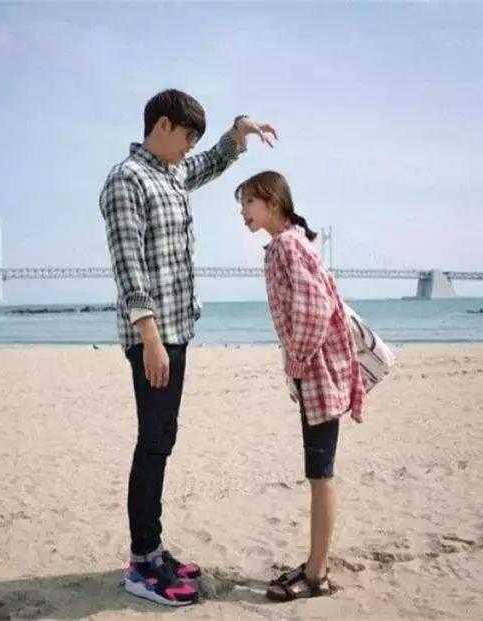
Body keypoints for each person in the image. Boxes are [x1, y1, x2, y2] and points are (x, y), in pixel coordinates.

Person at [99, 89, 277, 607]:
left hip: (178, 330)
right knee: (152, 442)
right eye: (187, 135)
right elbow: (128, 264)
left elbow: (210, 163)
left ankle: (153, 551)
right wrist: (149, 338)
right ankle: (142, 564)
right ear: (162, 126)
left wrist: (238, 133)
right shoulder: (127, 179)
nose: (191, 146)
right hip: (153, 337)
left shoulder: (172, 172)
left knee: (163, 439)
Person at [235, 170, 365, 601]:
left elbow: (314, 308)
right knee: (320, 471)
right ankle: (316, 566)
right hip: (323, 371)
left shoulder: (285, 247)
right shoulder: (293, 241)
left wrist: (296, 360)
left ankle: (316, 573)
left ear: (272, 203)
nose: (243, 212)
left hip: (318, 375)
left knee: (320, 473)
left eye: (249, 202)